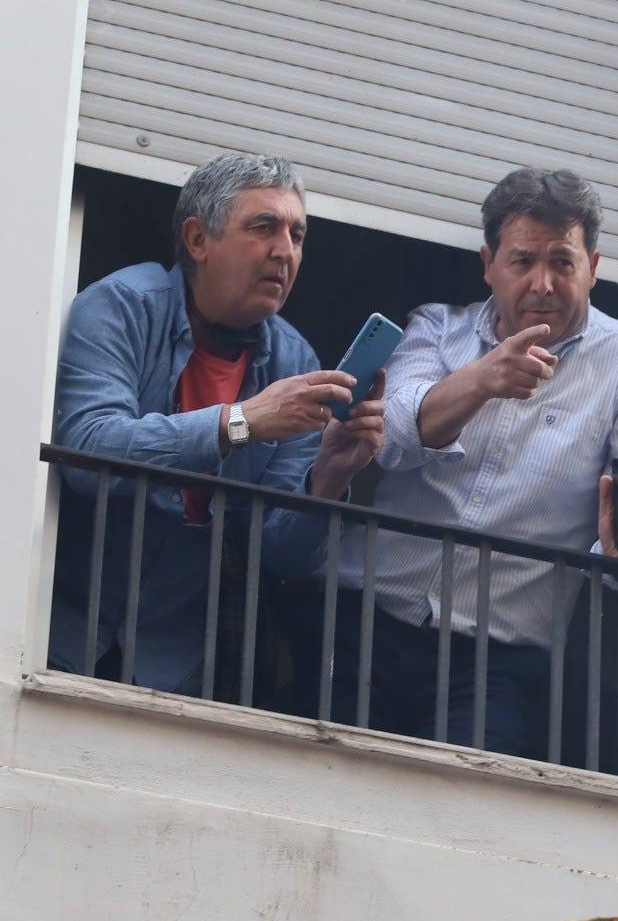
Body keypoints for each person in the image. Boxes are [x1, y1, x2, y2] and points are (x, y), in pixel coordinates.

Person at [330, 168, 618, 758]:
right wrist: (482, 379)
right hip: (364, 623)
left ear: (593, 267)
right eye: (522, 261)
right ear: (488, 263)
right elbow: (386, 437)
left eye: (562, 262)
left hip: (500, 665)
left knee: (461, 821)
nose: (542, 283)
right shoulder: (436, 328)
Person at [48, 152, 384, 693]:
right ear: (198, 240)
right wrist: (241, 422)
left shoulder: (294, 360)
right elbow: (87, 450)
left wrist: (329, 477)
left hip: (176, 661)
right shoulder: (122, 305)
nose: (285, 251)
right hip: (57, 632)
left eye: (297, 235)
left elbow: (281, 553)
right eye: (264, 227)